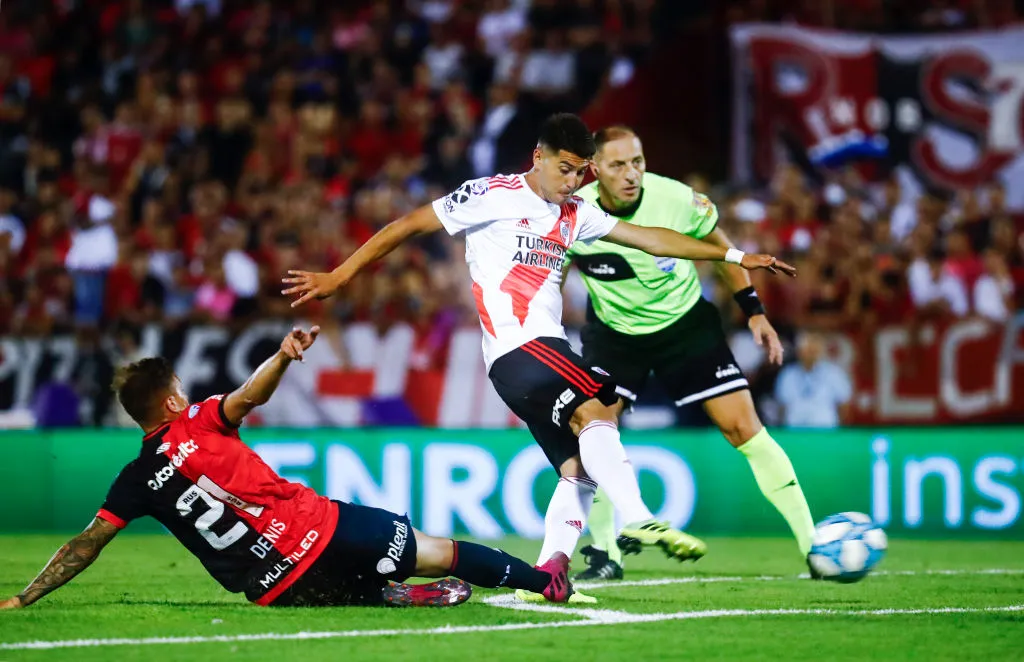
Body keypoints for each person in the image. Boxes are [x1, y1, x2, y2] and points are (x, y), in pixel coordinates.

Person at [282, 113, 794, 603]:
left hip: (529, 361)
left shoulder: (577, 214)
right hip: (521, 347)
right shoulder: (491, 194)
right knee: (599, 401)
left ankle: (550, 573)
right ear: (538, 158)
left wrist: (733, 256)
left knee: (579, 469)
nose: (572, 182)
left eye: (580, 172)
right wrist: (340, 276)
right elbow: (409, 224)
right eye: (564, 169)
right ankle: (638, 516)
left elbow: (650, 239)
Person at [0, 326, 572, 610]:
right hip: (317, 531)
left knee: (355, 585)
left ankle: (385, 593)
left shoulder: (133, 479)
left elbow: (86, 544)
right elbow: (248, 396)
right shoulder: (197, 420)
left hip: (274, 588)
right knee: (437, 550)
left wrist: (24, 598)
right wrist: (281, 356)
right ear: (172, 402)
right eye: (180, 388)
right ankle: (544, 582)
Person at [566, 126, 816, 581]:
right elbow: (550, 273)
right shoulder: (571, 213)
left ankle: (813, 546)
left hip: (685, 326)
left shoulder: (678, 200)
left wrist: (754, 312)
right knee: (592, 432)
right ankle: (605, 554)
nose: (631, 174)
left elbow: (723, 250)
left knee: (744, 428)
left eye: (637, 162)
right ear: (595, 168)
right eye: (618, 165)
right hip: (614, 335)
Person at [775, 331, 853, 429]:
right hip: (795, 431)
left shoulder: (834, 373)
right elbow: (782, 406)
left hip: (826, 431)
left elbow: (844, 405)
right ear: (799, 351)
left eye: (814, 349)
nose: (811, 353)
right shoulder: (787, 374)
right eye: (808, 349)